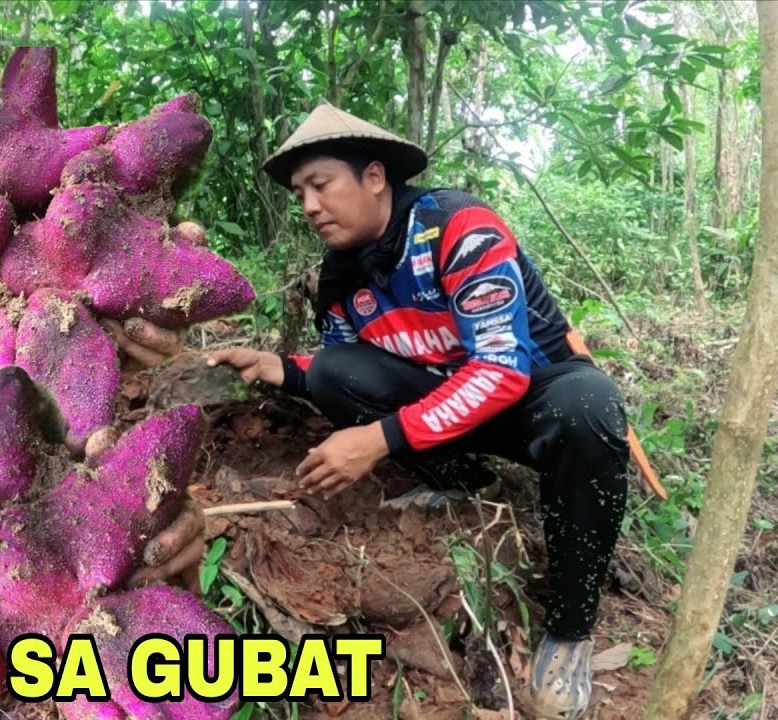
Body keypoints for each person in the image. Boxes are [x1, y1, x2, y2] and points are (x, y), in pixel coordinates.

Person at [116, 102, 631, 720]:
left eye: (321, 184)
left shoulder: (459, 230)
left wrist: (381, 439)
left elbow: (500, 368)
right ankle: (460, 480)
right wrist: (281, 367)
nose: (308, 205)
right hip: (448, 398)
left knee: (588, 404)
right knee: (333, 371)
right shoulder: (340, 278)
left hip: (533, 397)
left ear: (376, 177)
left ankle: (570, 630)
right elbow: (348, 367)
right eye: (300, 192)